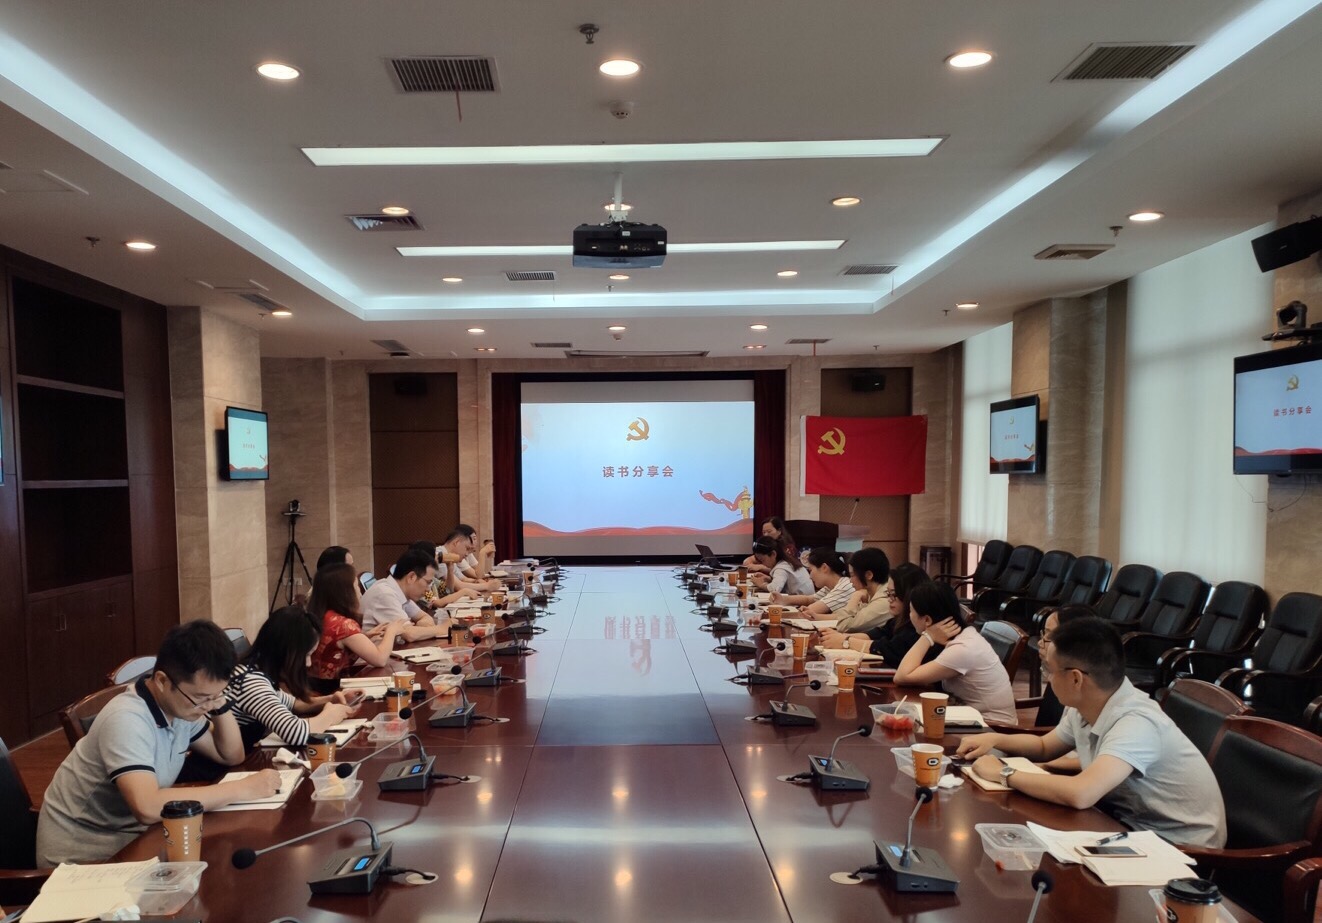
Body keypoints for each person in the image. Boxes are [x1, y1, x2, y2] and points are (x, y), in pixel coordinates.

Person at [956, 617, 1227, 848]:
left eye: (1049, 670)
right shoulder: (1088, 703)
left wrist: (1004, 774)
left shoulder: (1136, 722)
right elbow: (1045, 747)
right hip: (1124, 824)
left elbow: (1081, 793)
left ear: (1076, 678)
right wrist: (995, 738)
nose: (1047, 677)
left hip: (1177, 849)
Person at [36, 621, 281, 866]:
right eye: (201, 698)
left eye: (216, 695)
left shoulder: (179, 707)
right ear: (163, 681)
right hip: (84, 859)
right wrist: (242, 789)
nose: (206, 706)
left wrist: (219, 703)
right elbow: (147, 806)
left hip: (138, 839)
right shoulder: (127, 719)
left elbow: (231, 755)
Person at [230, 606, 360, 749]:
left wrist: (331, 699)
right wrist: (330, 715)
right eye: (306, 655)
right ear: (285, 651)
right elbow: (297, 734)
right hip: (244, 761)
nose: (308, 663)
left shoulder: (257, 669)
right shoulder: (250, 681)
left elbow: (293, 704)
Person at [893, 582, 1018, 725]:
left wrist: (927, 637)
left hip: (991, 727)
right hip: (968, 717)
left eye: (911, 611)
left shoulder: (962, 649)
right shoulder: (965, 635)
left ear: (927, 619)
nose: (909, 616)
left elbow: (902, 676)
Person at [308, 562, 402, 693]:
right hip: (333, 691)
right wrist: (392, 630)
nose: (360, 591)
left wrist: (363, 637)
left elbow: (333, 646)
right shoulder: (343, 625)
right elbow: (380, 659)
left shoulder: (321, 615)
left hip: (312, 687)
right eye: (356, 586)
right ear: (346, 591)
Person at [821, 561, 938, 666]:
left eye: (893, 594)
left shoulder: (918, 624)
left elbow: (890, 649)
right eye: (888, 593)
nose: (889, 599)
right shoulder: (899, 619)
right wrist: (838, 637)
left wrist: (846, 642)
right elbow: (876, 634)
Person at [361, 547, 452, 642]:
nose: (428, 589)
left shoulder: (401, 592)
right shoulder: (385, 594)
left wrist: (419, 630)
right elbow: (410, 634)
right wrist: (441, 628)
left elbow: (425, 617)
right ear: (411, 577)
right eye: (428, 582)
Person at [1033, 604, 1097, 728]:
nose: (1040, 642)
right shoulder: (1060, 671)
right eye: (1044, 634)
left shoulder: (1084, 691)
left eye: (1050, 636)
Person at [769, 547, 853, 615]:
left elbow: (809, 611)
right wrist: (783, 599)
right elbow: (809, 599)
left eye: (811, 570)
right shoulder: (830, 586)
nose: (810, 576)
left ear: (824, 568)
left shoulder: (844, 587)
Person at [832, 547, 893, 633]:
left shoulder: (884, 601)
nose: (850, 580)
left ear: (868, 575)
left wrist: (855, 597)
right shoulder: (870, 594)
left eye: (852, 575)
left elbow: (844, 626)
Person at [747, 537, 813, 595]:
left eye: (762, 560)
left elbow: (775, 589)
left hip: (803, 602)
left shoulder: (781, 568)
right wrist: (769, 579)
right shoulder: (786, 562)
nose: (762, 564)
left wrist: (761, 584)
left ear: (773, 554)